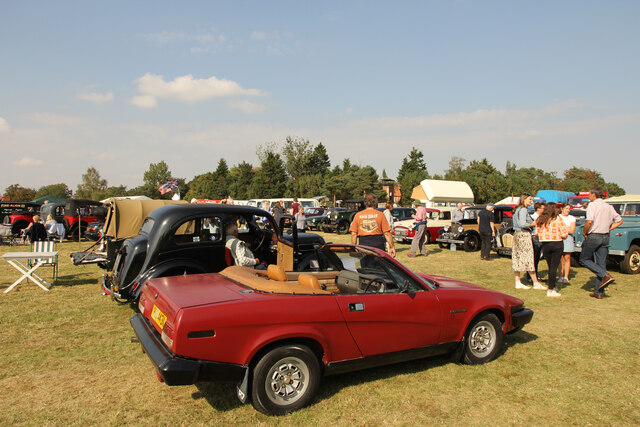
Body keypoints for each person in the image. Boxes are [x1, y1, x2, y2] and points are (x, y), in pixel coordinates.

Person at [579, 188, 623, 299]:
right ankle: (599, 292)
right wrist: (609, 228)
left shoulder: (592, 205)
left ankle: (605, 275)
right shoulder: (608, 206)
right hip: (605, 236)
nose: (589, 196)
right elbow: (619, 220)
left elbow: (589, 221)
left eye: (589, 194)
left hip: (594, 235)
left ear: (594, 195)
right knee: (601, 263)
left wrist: (585, 232)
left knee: (584, 259)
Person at [512, 194, 545, 290]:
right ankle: (535, 282)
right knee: (529, 258)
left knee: (517, 258)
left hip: (517, 234)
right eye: (530, 199)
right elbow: (522, 223)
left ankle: (518, 282)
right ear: (524, 199)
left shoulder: (517, 209)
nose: (531, 201)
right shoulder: (523, 210)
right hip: (523, 235)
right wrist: (532, 224)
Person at [536, 204, 569, 297]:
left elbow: (536, 233)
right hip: (557, 243)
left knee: (550, 266)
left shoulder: (540, 219)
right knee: (554, 267)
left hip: (545, 244)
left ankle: (553, 286)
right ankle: (550, 289)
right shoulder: (557, 219)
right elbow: (565, 233)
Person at [349, 193, 396, 257]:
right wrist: (392, 247)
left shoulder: (358, 215)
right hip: (378, 244)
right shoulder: (380, 215)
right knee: (378, 266)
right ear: (375, 203)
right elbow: (387, 233)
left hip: (363, 244)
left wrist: (354, 247)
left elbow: (354, 234)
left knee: (365, 265)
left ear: (365, 203)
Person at [558, 203, 577, 284]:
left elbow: (572, 230)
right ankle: (561, 276)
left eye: (569, 209)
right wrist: (566, 228)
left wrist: (563, 229)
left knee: (567, 258)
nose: (568, 210)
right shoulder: (557, 217)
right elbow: (556, 229)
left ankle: (566, 277)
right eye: (566, 208)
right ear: (562, 208)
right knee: (559, 258)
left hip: (568, 239)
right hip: (559, 238)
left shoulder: (572, 218)